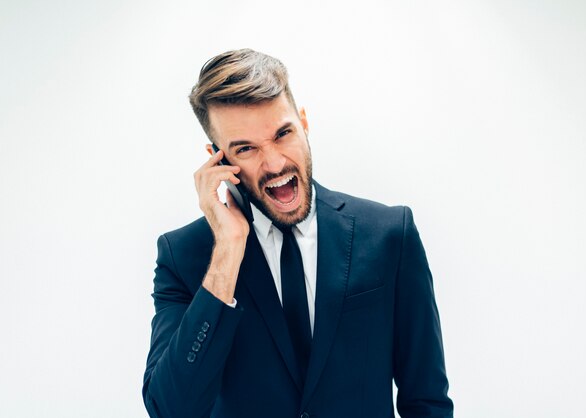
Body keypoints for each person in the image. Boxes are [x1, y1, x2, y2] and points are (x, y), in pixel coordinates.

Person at [142, 48, 453, 418]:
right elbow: (171, 410)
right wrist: (227, 251)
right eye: (246, 149)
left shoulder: (389, 235)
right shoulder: (184, 257)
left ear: (303, 123)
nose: (274, 163)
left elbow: (427, 400)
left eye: (282, 134)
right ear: (218, 159)